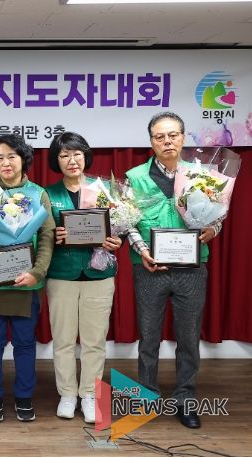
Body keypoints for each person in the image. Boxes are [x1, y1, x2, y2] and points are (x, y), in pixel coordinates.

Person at [126, 112, 219, 429]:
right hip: (149, 268)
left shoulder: (201, 175)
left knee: (189, 339)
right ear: (151, 141)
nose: (167, 141)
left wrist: (214, 228)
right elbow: (127, 221)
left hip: (191, 269)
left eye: (173, 135)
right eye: (159, 137)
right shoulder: (135, 176)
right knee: (148, 338)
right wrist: (143, 251)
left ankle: (185, 400)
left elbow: (216, 215)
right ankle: (147, 399)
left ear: (183, 137)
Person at [0, 134, 55, 422]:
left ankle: (24, 397)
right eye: (0, 157)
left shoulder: (38, 194)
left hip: (26, 281)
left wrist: (37, 272)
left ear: (23, 159)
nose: (6, 162)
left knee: (25, 343)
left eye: (12, 156)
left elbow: (47, 237)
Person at [45, 132, 122, 423]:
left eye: (76, 154)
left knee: (94, 340)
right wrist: (53, 236)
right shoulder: (47, 194)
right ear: (56, 160)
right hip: (61, 274)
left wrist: (117, 241)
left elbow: (120, 227)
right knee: (63, 339)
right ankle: (67, 393)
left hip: (98, 274)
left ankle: (89, 394)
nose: (72, 160)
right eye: (64, 155)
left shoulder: (104, 190)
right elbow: (40, 237)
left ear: (85, 156)